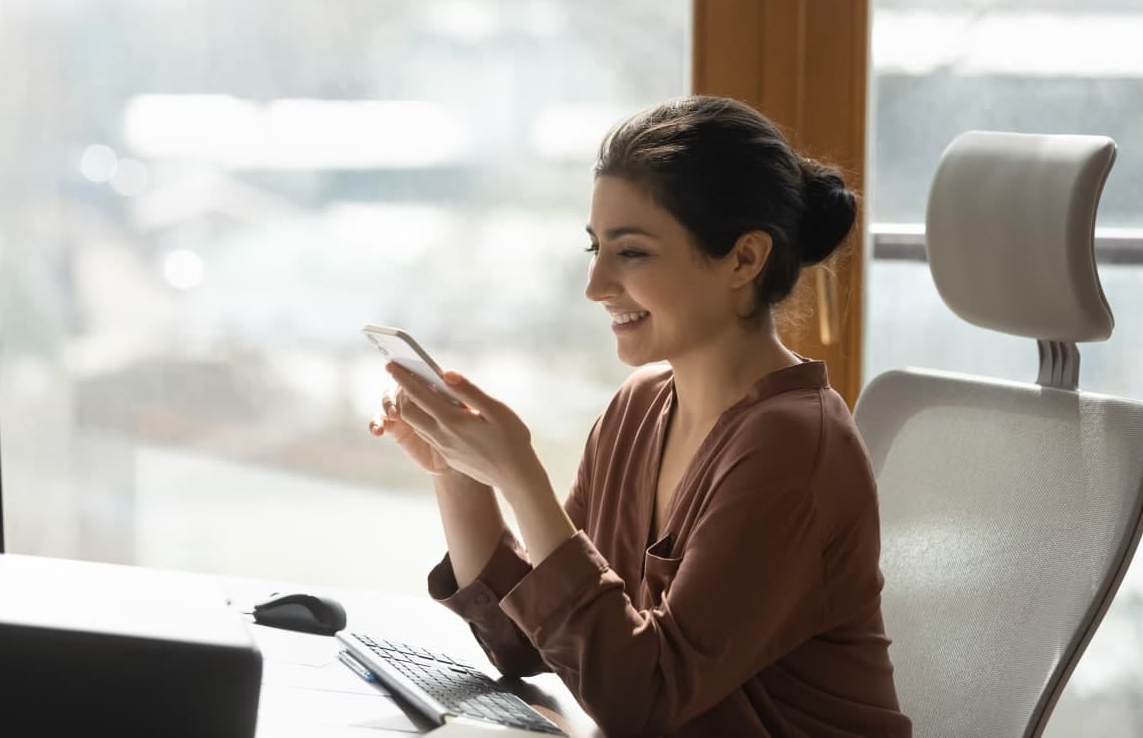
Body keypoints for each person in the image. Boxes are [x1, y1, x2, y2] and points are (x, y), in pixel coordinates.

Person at [368, 95, 911, 737]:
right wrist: (458, 470)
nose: (596, 284)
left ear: (743, 259)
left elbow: (642, 700)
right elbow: (533, 642)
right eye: (595, 247)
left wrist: (523, 480)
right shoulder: (641, 404)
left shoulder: (794, 446)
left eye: (632, 253)